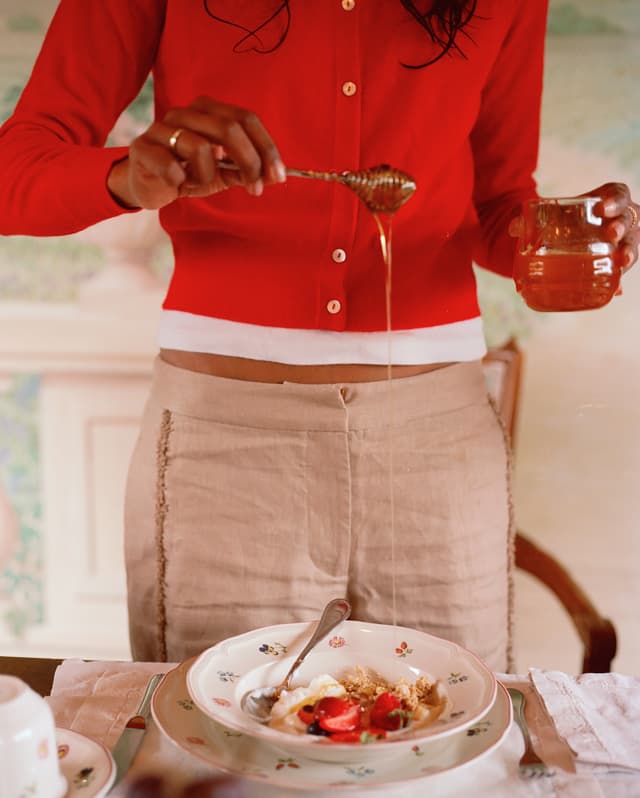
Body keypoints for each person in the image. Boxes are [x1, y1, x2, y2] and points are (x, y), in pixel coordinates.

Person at [0, 1, 637, 671]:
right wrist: (126, 174)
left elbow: (497, 204)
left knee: (445, 753)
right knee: (222, 764)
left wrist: (577, 234)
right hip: (223, 453)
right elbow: (15, 173)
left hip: (440, 456)